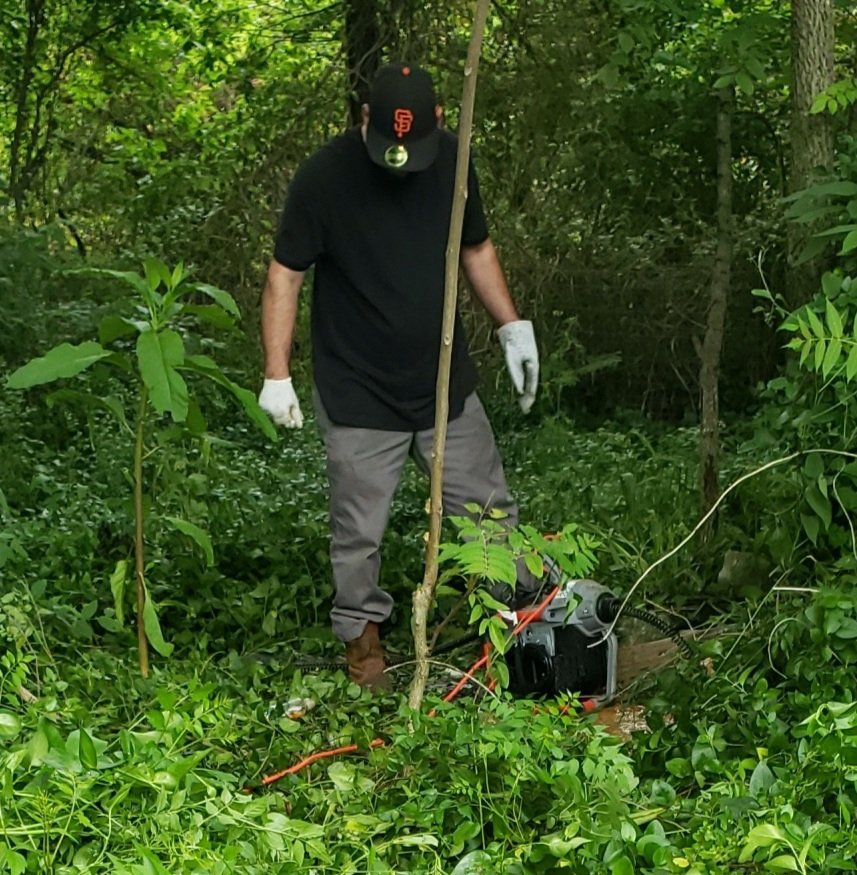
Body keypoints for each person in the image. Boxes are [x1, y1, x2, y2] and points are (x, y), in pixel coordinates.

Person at [258, 62, 539, 690]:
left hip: (442, 383)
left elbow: (477, 249)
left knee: (489, 512)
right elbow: (285, 273)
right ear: (364, 121)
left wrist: (511, 327)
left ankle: (519, 634)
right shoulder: (324, 179)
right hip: (358, 390)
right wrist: (276, 373)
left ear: (439, 122)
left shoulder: (453, 166)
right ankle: (365, 658)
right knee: (358, 535)